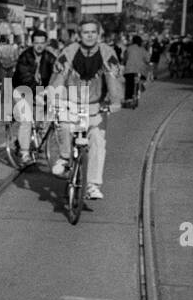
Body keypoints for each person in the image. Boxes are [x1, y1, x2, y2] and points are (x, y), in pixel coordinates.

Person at [50, 18, 123, 200]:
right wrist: (54, 96)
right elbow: (59, 76)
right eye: (85, 32)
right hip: (72, 102)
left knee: (98, 140)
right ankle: (66, 158)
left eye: (93, 32)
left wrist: (116, 100)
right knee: (65, 126)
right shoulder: (69, 51)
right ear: (79, 35)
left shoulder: (107, 52)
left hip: (95, 104)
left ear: (98, 35)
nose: (89, 35)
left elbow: (114, 78)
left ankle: (92, 184)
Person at [12, 30, 58, 166]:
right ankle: (25, 153)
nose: (39, 46)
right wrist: (38, 93)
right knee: (26, 120)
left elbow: (57, 74)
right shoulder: (25, 57)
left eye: (42, 43)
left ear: (46, 43)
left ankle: (33, 141)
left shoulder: (50, 58)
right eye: (36, 43)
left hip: (40, 91)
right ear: (32, 43)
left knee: (47, 117)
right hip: (22, 89)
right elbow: (24, 77)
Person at [122, 35, 149, 107]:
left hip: (129, 70)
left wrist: (124, 62)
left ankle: (128, 99)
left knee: (128, 84)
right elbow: (147, 59)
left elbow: (124, 58)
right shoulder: (142, 49)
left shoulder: (128, 48)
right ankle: (140, 85)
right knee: (141, 79)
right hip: (140, 71)